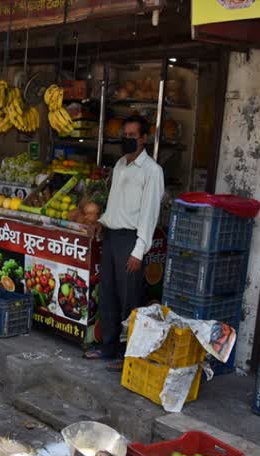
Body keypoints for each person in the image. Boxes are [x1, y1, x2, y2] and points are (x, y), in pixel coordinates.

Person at [86, 115, 164, 371]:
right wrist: (102, 221)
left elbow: (149, 214)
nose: (127, 140)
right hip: (111, 237)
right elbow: (115, 204)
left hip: (131, 242)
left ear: (143, 139)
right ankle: (108, 347)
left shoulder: (152, 172)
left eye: (132, 136)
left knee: (130, 300)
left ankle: (129, 354)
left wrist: (138, 251)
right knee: (108, 295)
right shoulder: (120, 165)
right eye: (125, 135)